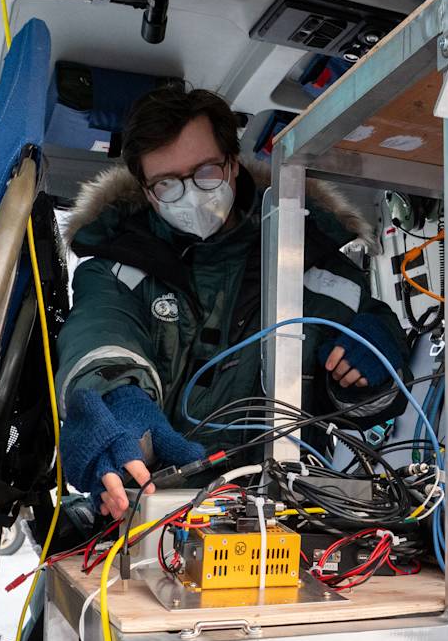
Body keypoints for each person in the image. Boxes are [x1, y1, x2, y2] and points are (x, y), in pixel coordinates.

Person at [57, 84, 410, 519]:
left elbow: (370, 409)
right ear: (147, 191)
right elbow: (102, 338)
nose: (191, 194)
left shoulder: (315, 262)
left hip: (289, 516)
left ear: (234, 165)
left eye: (206, 171)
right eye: (167, 183)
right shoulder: (113, 269)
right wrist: (118, 401)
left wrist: (375, 361)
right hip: (153, 512)